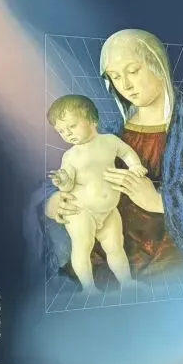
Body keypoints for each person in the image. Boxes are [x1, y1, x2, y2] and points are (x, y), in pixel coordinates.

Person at [30, 28, 183, 286]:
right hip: (105, 252)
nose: (125, 85)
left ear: (158, 66)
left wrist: (160, 201)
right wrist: (54, 201)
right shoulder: (112, 133)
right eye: (115, 77)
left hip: (167, 264)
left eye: (133, 71)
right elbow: (66, 176)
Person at [47, 94, 145, 293]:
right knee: (82, 247)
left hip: (109, 210)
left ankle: (126, 282)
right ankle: (89, 288)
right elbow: (67, 186)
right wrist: (62, 181)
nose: (67, 134)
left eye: (72, 126)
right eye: (61, 131)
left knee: (115, 246)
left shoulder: (110, 141)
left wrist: (135, 165)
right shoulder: (71, 156)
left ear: (93, 121)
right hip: (81, 211)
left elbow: (126, 152)